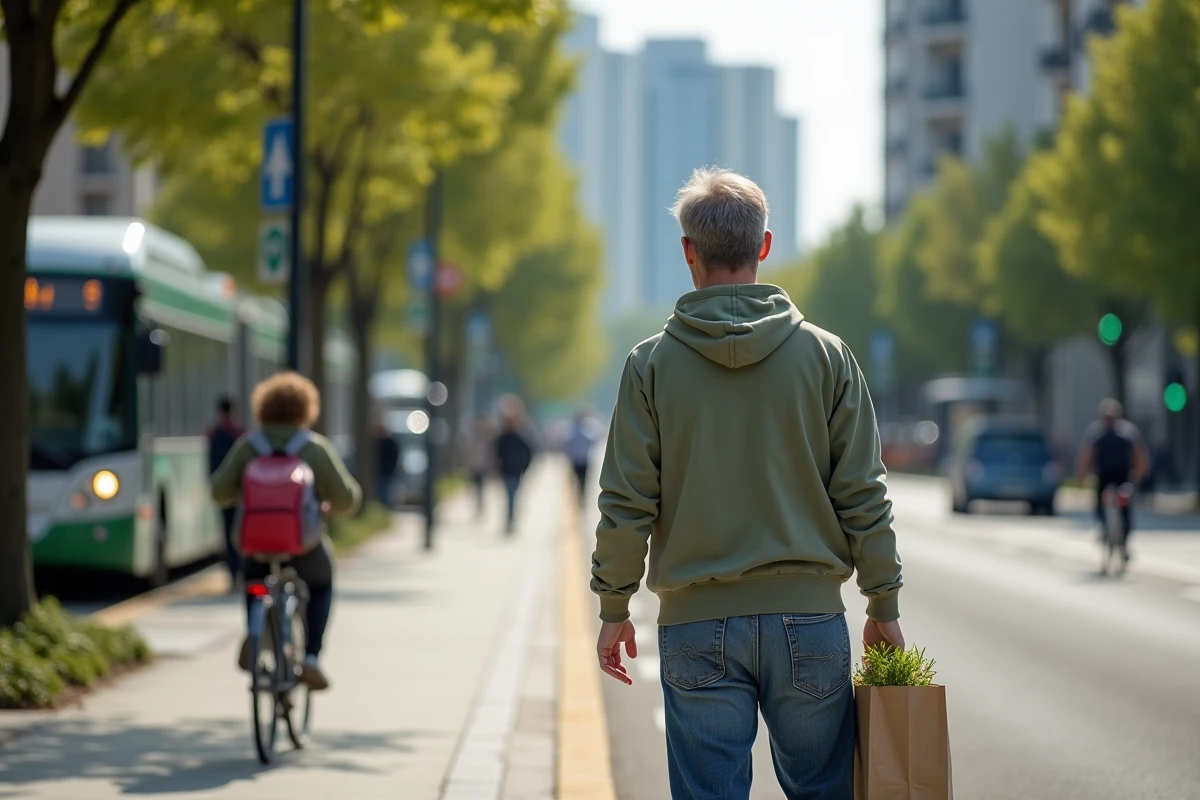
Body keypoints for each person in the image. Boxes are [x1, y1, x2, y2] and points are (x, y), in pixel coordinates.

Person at [590, 168, 903, 800]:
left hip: (696, 624)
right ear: (763, 247)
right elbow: (864, 493)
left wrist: (614, 606)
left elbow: (627, 502)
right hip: (810, 620)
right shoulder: (828, 357)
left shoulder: (650, 365)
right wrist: (883, 605)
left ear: (688, 253)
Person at [212, 372, 361, 691]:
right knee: (322, 584)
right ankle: (311, 657)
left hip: (255, 546)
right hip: (303, 549)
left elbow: (219, 492)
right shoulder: (314, 447)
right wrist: (325, 507)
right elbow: (347, 499)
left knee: (255, 582)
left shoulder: (248, 445)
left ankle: (255, 628)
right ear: (307, 408)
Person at [1075, 399, 1150, 559]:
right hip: (1107, 477)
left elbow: (1138, 454)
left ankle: (1122, 539)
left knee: (1124, 506)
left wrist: (1140, 472)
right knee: (1101, 503)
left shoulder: (1123, 432)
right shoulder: (1104, 432)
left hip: (1121, 477)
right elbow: (1087, 455)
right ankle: (1104, 528)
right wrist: (1082, 474)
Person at [206, 396, 245, 587]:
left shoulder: (214, 434)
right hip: (242, 493)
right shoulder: (240, 434)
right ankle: (240, 569)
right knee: (241, 531)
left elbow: (212, 466)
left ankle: (233, 573)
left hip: (225, 492)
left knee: (228, 532)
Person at [495, 403, 534, 534]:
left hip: (517, 471)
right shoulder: (502, 438)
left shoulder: (520, 437)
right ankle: (510, 519)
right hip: (506, 471)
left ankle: (511, 519)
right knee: (510, 496)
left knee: (512, 495)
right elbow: (497, 454)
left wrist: (525, 467)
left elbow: (529, 453)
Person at [563, 407, 600, 504]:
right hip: (576, 459)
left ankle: (581, 498)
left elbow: (594, 439)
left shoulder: (589, 426)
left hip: (584, 459)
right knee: (577, 480)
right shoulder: (573, 426)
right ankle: (578, 498)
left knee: (583, 481)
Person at [463, 415, 495, 518]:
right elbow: (465, 453)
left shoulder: (488, 438)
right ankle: (476, 507)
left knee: (481, 488)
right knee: (473, 488)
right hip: (473, 466)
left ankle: (480, 507)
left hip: (483, 466)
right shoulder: (470, 437)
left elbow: (490, 454)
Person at [375, 420, 400, 508]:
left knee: (385, 494)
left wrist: (391, 468)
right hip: (378, 473)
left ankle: (385, 509)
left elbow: (394, 456)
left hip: (387, 472)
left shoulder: (389, 442)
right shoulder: (376, 442)